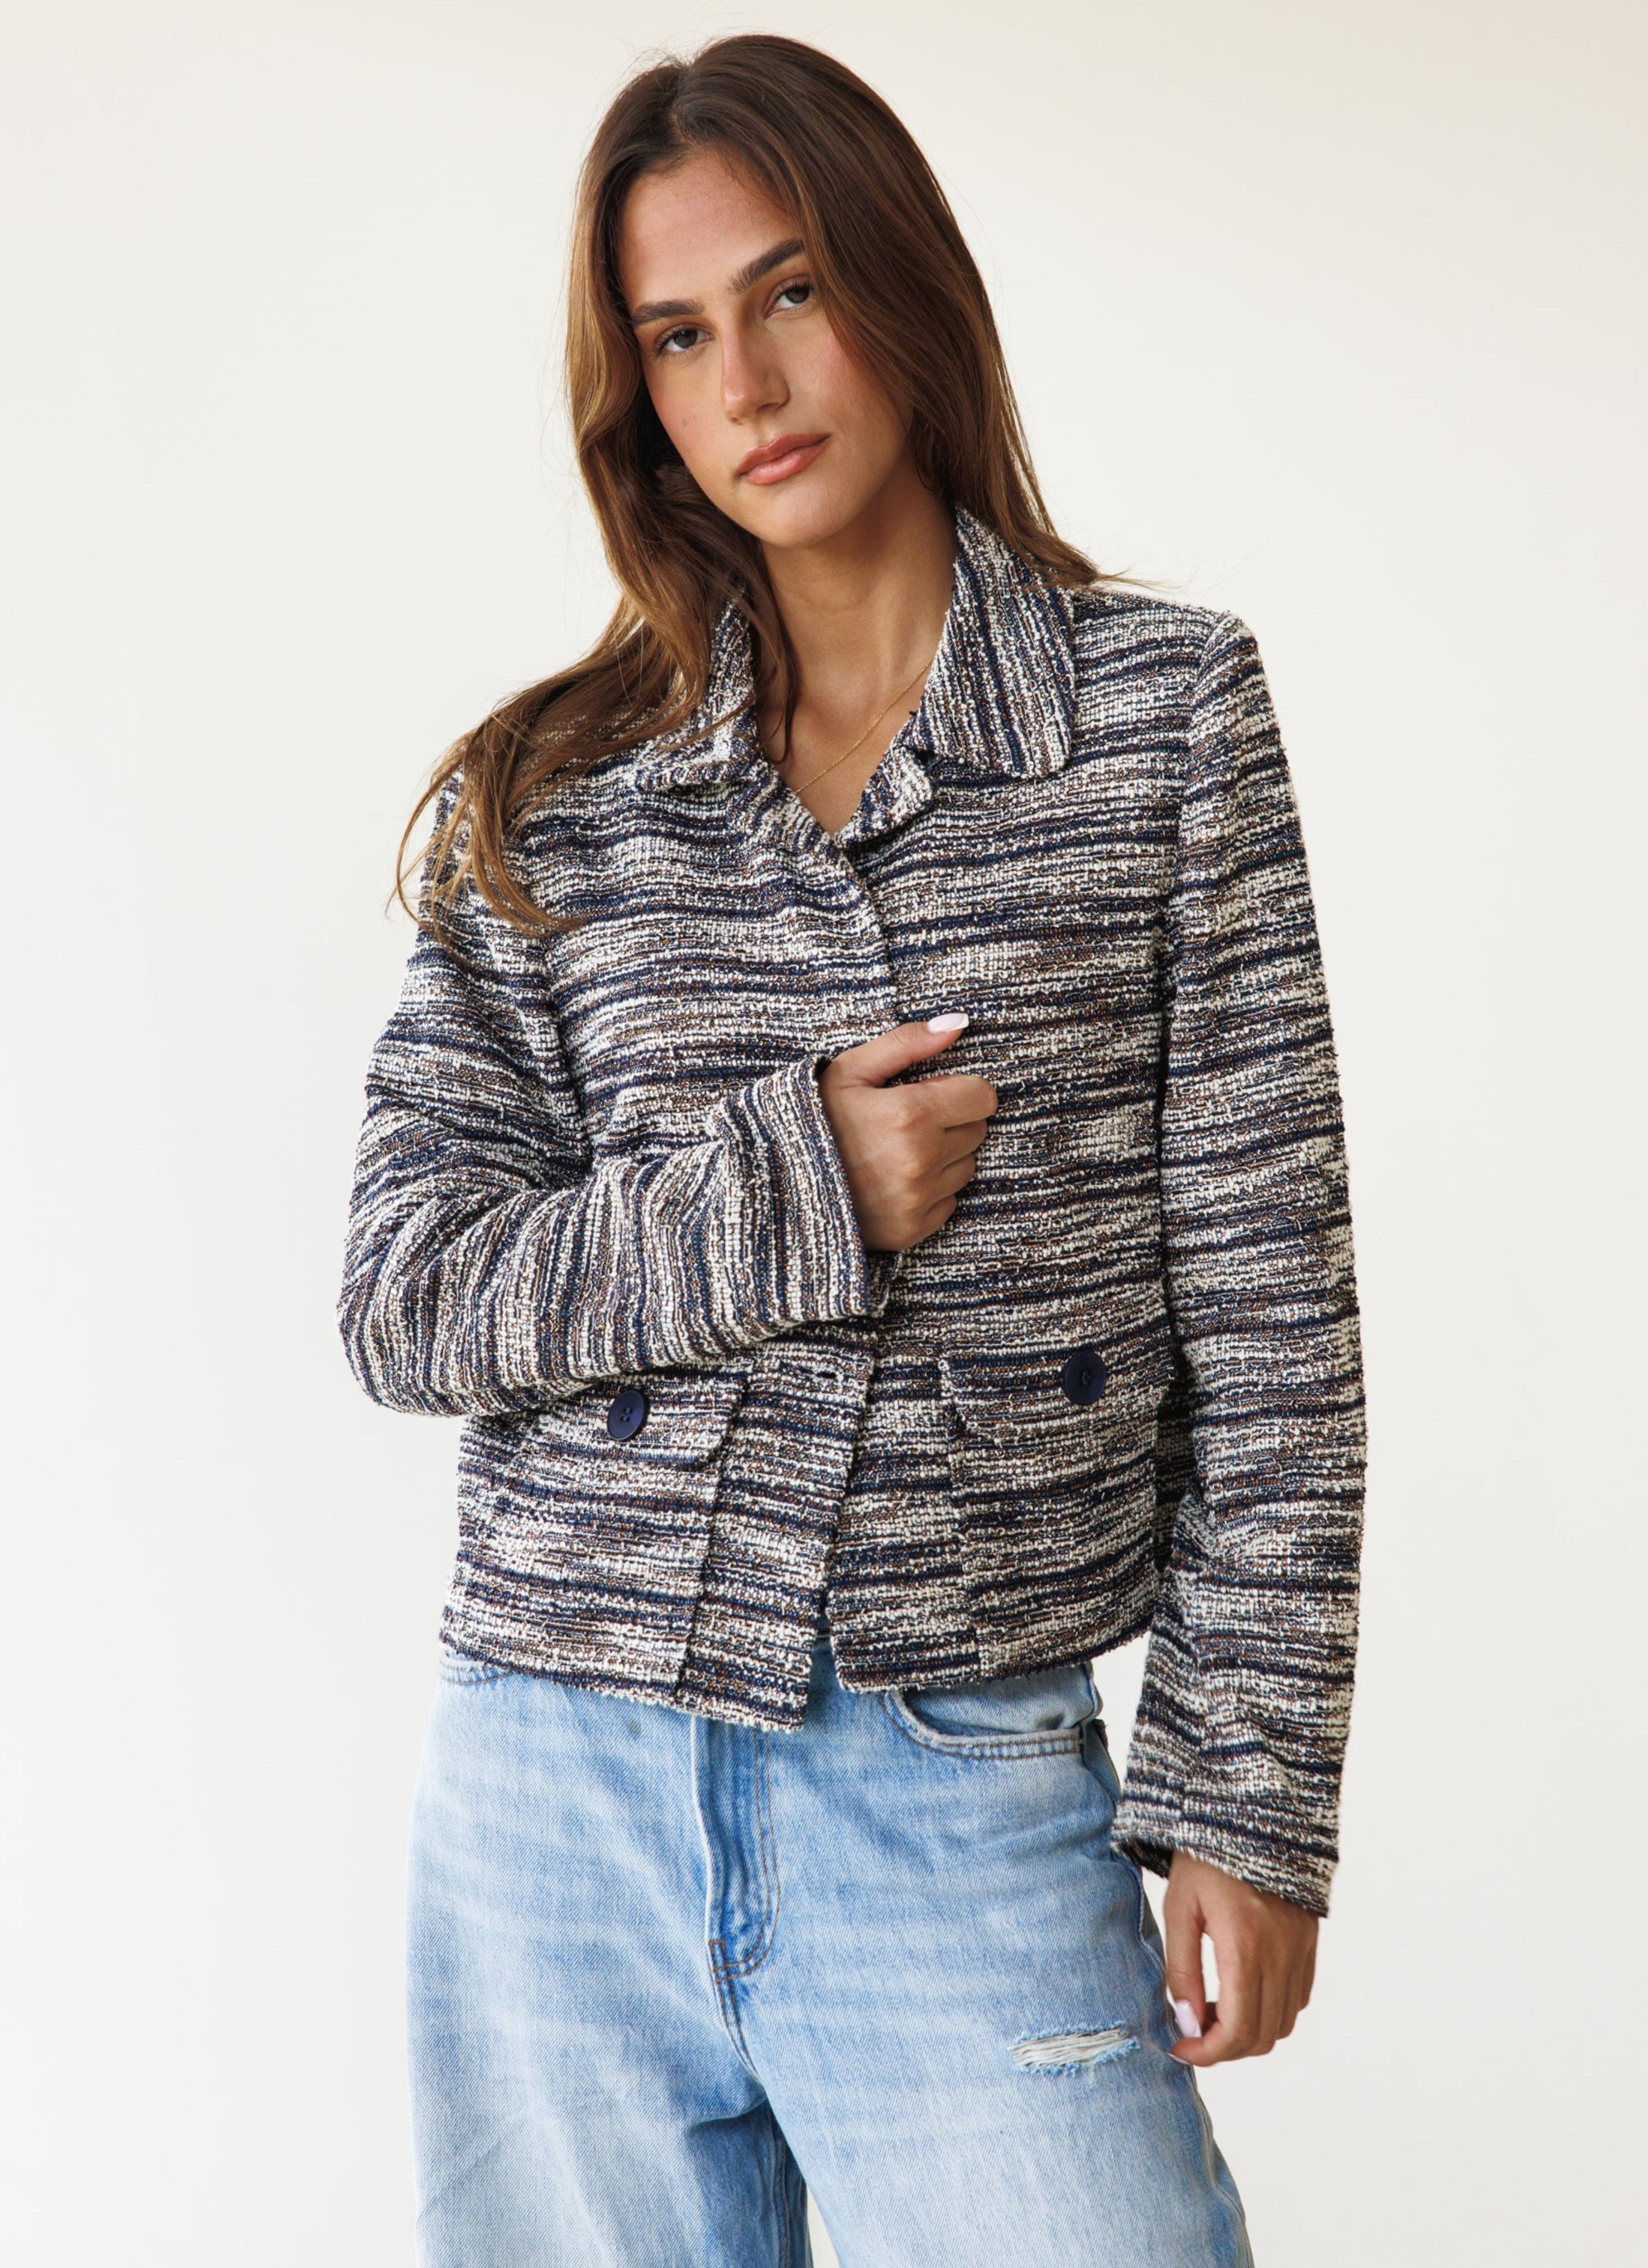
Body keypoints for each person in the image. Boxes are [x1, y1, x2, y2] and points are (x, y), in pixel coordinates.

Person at [338, 31, 1367, 2268]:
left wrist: (1249, 1799)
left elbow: (1275, 1314)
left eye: (790, 292)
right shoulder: (556, 794)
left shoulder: (1163, 718)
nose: (747, 382)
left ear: (898, 282)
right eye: (676, 337)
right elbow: (408, 1298)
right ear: (637, 397)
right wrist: (792, 1188)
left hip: (955, 1780)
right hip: (553, 1796)